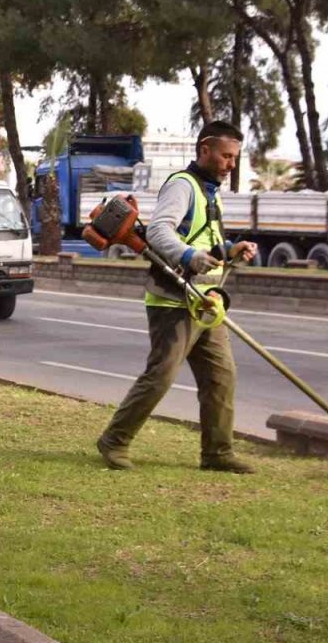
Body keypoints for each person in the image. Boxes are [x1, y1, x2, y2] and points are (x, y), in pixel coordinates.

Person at [96, 120, 259, 474]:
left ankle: (217, 453)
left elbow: (203, 243)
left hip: (204, 304)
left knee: (221, 377)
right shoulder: (183, 185)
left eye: (235, 158)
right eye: (226, 156)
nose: (231, 164)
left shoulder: (210, 192)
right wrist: (188, 257)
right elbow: (158, 231)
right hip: (173, 301)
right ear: (205, 150)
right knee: (161, 375)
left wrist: (231, 250)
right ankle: (114, 441)